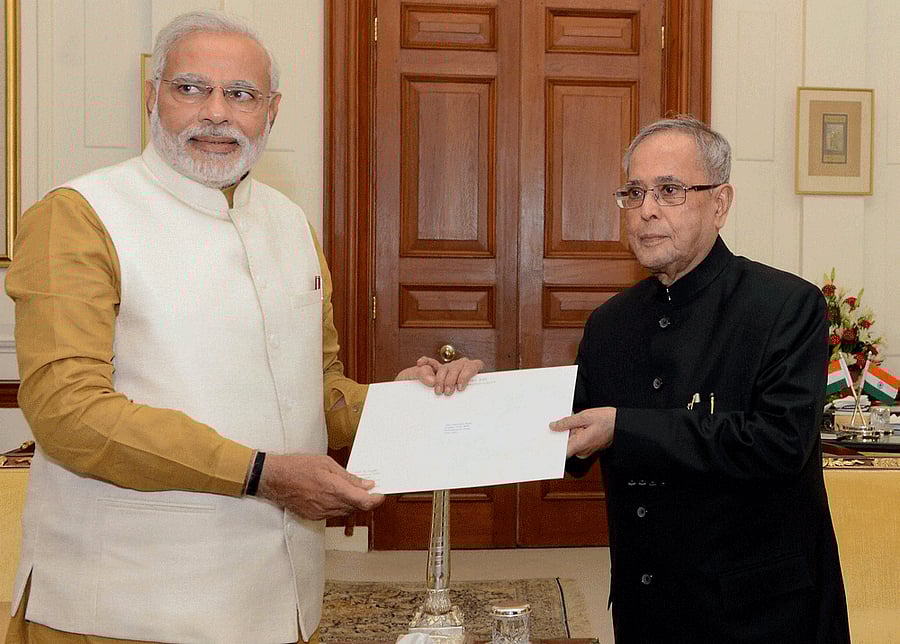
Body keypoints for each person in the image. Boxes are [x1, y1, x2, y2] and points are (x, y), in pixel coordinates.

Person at [4, 11, 480, 644]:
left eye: (242, 94)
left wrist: (414, 404)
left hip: (278, 605)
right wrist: (262, 473)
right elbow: (68, 411)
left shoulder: (290, 225)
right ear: (153, 97)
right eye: (191, 88)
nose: (217, 113)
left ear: (272, 111)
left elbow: (317, 393)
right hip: (122, 606)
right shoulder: (80, 216)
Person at [551, 116, 850, 642]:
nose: (646, 210)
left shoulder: (786, 306)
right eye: (635, 192)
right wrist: (462, 393)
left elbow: (778, 444)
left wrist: (627, 429)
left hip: (759, 615)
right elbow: (568, 439)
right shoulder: (609, 323)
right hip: (648, 611)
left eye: (669, 191)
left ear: (720, 204)